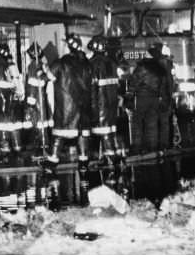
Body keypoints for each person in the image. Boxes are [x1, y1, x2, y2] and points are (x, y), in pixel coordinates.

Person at [45, 33, 92, 171]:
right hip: (83, 106)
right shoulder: (87, 63)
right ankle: (83, 161)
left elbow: (48, 77)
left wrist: (40, 72)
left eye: (65, 44)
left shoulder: (61, 62)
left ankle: (53, 161)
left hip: (66, 107)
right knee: (82, 134)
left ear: (69, 47)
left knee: (59, 134)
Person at [86, 35, 125, 166]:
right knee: (110, 130)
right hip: (111, 104)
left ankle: (106, 158)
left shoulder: (92, 64)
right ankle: (113, 155)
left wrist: (90, 106)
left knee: (100, 132)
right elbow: (118, 85)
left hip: (99, 105)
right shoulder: (112, 63)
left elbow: (91, 89)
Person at [124, 46, 170, 154]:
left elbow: (133, 83)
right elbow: (163, 87)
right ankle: (152, 147)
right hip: (154, 99)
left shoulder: (142, 67)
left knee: (137, 123)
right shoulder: (160, 69)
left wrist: (128, 98)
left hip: (140, 99)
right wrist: (164, 101)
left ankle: (137, 147)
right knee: (152, 124)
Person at [24, 43, 53, 158]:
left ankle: (41, 148)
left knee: (37, 124)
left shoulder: (33, 66)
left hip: (36, 98)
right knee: (43, 123)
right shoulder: (43, 65)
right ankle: (45, 146)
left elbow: (32, 85)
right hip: (43, 97)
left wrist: (30, 103)